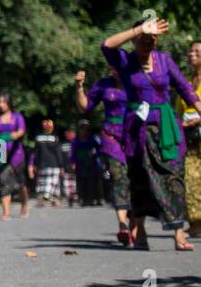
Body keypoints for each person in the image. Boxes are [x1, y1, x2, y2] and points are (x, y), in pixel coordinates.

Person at [102, 18, 201, 251]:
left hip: (167, 126)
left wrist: (199, 108)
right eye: (144, 38)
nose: (148, 42)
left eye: (152, 38)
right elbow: (107, 45)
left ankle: (178, 234)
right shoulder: (126, 61)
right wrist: (138, 29)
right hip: (138, 130)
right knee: (140, 178)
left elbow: (185, 89)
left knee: (175, 176)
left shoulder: (164, 60)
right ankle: (141, 230)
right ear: (135, 39)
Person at [76, 69, 131, 243]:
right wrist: (78, 87)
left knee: (136, 178)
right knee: (118, 177)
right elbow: (85, 106)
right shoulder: (104, 84)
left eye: (117, 65)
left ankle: (137, 225)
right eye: (111, 66)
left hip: (135, 134)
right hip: (111, 136)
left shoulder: (137, 80)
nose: (113, 70)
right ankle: (123, 225)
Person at [0, 93, 28, 220]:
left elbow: (22, 130)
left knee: (20, 183)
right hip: (0, 153)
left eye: (3, 102)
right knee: (3, 181)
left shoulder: (17, 117)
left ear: (9, 103)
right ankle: (6, 212)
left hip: (16, 154)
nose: (0, 105)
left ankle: (24, 203)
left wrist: (13, 136)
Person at [183, 41, 201, 239]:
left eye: (197, 51)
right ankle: (195, 223)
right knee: (190, 179)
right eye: (191, 51)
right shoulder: (186, 83)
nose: (191, 54)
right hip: (189, 138)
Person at [29, 119, 64, 206]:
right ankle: (51, 197)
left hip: (41, 164)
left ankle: (42, 198)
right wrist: (61, 165)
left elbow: (35, 153)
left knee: (41, 182)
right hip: (54, 164)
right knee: (54, 182)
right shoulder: (55, 138)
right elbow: (58, 153)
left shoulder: (38, 138)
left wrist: (34, 164)